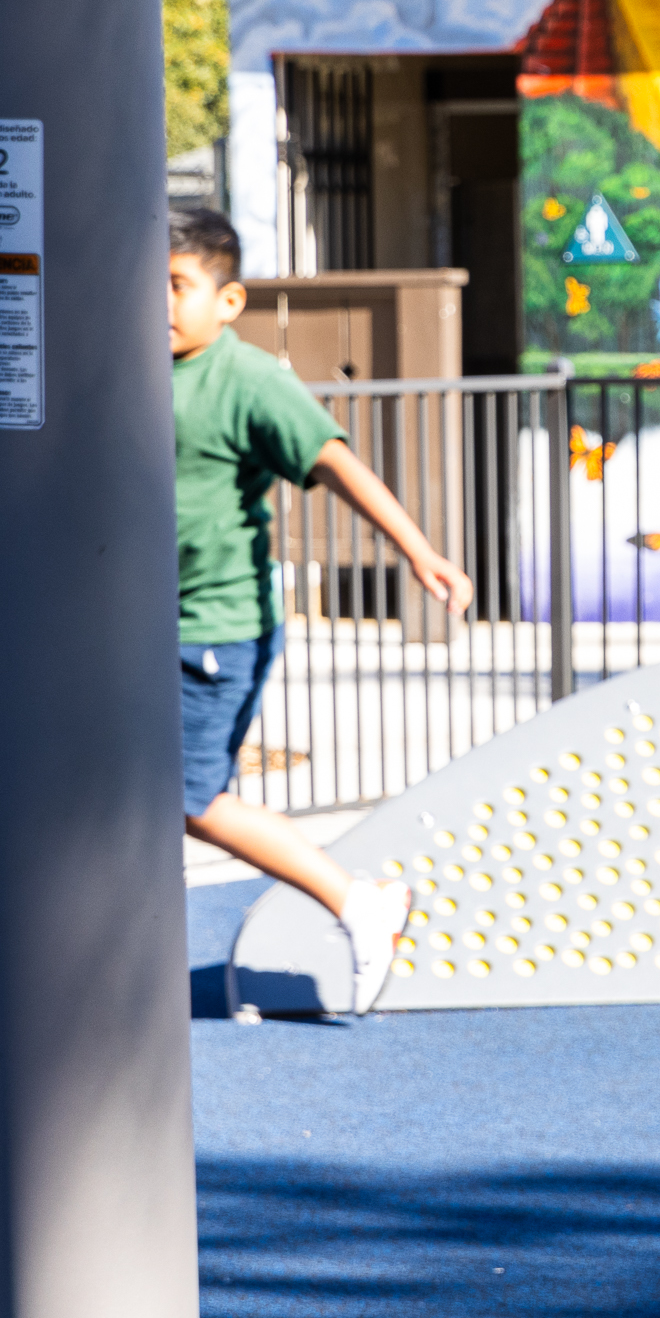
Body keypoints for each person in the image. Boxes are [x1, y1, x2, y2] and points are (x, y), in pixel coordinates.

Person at [170, 207, 471, 1012]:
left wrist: (419, 551)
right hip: (137, 627)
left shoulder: (249, 381)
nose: (158, 306)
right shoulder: (135, 368)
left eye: (176, 286)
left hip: (213, 627)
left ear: (229, 301)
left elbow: (336, 464)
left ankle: (357, 903)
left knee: (192, 801)